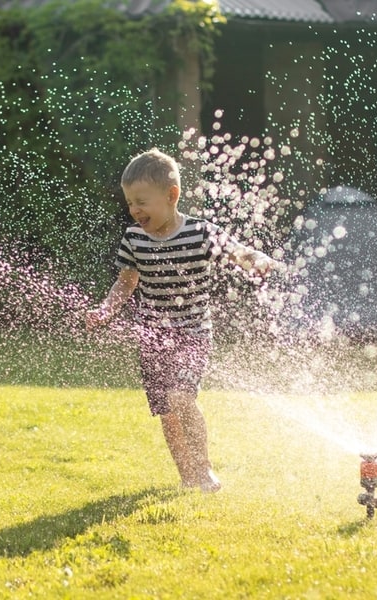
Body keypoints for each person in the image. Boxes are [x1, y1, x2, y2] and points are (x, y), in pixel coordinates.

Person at [86, 148, 279, 492]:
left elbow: (236, 251)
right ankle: (187, 476)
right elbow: (126, 281)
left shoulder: (200, 233)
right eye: (130, 202)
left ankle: (204, 470)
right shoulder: (134, 238)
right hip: (153, 339)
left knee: (181, 398)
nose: (134, 210)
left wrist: (257, 257)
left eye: (142, 201)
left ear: (171, 195)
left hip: (192, 333)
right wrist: (107, 308)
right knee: (167, 411)